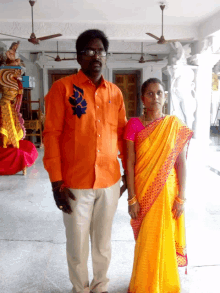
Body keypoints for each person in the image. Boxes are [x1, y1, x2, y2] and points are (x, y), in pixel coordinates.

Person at [43, 29, 127, 293]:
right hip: (75, 183)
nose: (96, 56)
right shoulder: (62, 89)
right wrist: (56, 182)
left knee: (102, 243)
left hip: (109, 181)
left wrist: (127, 176)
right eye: (89, 51)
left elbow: (123, 137)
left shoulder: (115, 93)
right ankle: (80, 289)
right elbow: (52, 135)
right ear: (79, 57)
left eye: (100, 51)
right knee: (77, 244)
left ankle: (100, 286)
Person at [124, 78, 193, 293]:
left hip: (168, 193)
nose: (155, 97)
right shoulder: (133, 124)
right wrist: (132, 198)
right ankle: (144, 286)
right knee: (146, 239)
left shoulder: (174, 125)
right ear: (143, 98)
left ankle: (165, 286)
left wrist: (181, 197)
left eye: (159, 93)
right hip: (143, 191)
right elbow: (130, 162)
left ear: (165, 97)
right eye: (150, 93)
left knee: (164, 238)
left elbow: (181, 163)